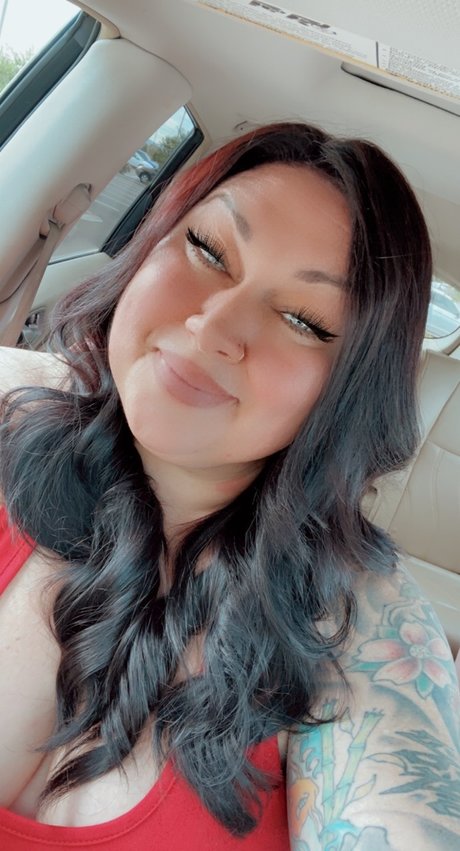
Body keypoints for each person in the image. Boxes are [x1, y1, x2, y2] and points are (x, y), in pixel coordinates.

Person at [0, 121, 458, 850]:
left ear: (348, 392)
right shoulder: (11, 404)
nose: (215, 325)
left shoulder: (357, 627)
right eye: (208, 250)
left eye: (304, 320)